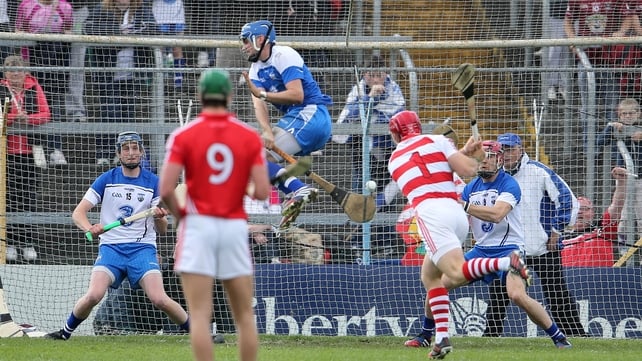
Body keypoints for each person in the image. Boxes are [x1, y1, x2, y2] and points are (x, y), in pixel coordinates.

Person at [387, 111, 531, 359]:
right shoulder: (437, 141)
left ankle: (505, 262)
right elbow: (466, 170)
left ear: (395, 133)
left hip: (432, 214)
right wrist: (473, 156)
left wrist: (467, 154)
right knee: (430, 277)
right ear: (419, 126)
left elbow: (427, 170)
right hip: (457, 214)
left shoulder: (394, 159)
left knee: (454, 272)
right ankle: (440, 337)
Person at [406, 140, 573, 350]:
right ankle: (425, 335)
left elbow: (497, 214)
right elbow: (460, 220)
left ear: (499, 160)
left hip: (510, 249)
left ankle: (558, 337)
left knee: (517, 295)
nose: (483, 162)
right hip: (481, 250)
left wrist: (463, 205)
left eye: (489, 157)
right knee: (437, 284)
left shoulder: (509, 184)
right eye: (480, 158)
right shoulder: (469, 189)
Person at [159, 69, 270, 361]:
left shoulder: (184, 135)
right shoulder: (247, 135)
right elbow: (261, 191)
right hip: (232, 227)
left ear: (200, 96)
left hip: (198, 227)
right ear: (230, 97)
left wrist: (182, 215)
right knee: (245, 316)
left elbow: (166, 188)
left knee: (199, 315)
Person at [44, 131, 190, 340]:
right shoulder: (107, 179)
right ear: (118, 153)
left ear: (141, 152)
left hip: (142, 250)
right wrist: (89, 228)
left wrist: (158, 217)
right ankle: (64, 333)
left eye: (135, 148)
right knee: (94, 295)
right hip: (111, 248)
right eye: (126, 149)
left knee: (159, 299)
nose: (131, 153)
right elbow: (78, 213)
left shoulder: (154, 183)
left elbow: (163, 229)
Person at [484, 132, 586, 338]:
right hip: (509, 249)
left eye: (511, 149)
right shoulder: (493, 176)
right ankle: (490, 337)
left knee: (558, 296)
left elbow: (568, 201)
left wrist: (557, 231)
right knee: (498, 296)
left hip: (541, 248)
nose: (506, 154)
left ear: (521, 150)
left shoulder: (539, 172)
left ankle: (578, 335)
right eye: (502, 150)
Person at [240, 19, 333, 230]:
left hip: (311, 115)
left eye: (246, 40)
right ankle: (294, 192)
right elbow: (259, 105)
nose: (243, 46)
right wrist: (266, 132)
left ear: (260, 39)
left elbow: (297, 95)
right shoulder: (255, 69)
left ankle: (298, 190)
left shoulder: (284, 54)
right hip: (298, 119)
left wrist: (262, 93)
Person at [93, 256, 231, 343]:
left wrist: (229, 337)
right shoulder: (155, 277)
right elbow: (119, 301)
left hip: (146, 325)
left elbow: (226, 321)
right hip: (110, 322)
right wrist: (126, 332)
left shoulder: (217, 284)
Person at [83, 0, 155, 165]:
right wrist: (119, 35)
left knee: (127, 114)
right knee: (109, 112)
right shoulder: (101, 9)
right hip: (107, 73)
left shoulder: (142, 10)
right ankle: (104, 153)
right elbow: (88, 28)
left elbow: (152, 29)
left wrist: (130, 35)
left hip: (132, 73)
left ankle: (123, 154)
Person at [333, 55, 405, 210]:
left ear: (386, 74)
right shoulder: (357, 91)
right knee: (360, 185)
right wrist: (369, 98)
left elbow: (397, 115)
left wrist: (378, 113)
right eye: (371, 75)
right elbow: (349, 115)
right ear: (365, 75)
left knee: (386, 188)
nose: (375, 80)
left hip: (386, 148)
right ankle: (357, 226)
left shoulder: (394, 91)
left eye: (379, 75)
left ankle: (384, 231)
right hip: (361, 148)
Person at [0, 55, 51, 262]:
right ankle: (9, 242)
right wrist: (13, 118)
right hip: (6, 153)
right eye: (11, 70)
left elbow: (46, 114)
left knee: (28, 197)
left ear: (25, 72)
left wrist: (28, 119)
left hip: (30, 153)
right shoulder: (1, 89)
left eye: (19, 70)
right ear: (5, 73)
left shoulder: (33, 87)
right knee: (9, 198)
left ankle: (27, 242)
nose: (15, 74)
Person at [564, 0, 632, 142]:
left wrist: (620, 32)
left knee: (612, 104)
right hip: (585, 55)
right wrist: (572, 39)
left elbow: (628, 16)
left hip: (609, 57)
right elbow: (568, 20)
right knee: (587, 104)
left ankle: (611, 142)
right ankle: (589, 144)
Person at [15, 0, 73, 165]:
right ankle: (37, 149)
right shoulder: (26, 5)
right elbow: (18, 31)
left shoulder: (65, 7)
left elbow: (69, 31)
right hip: (32, 62)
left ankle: (56, 149)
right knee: (33, 104)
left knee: (56, 105)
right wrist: (25, 64)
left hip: (58, 62)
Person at [561, 167, 627, 267]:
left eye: (584, 209)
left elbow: (616, 206)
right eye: (575, 210)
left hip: (599, 280)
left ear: (592, 213)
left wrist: (621, 182)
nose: (579, 213)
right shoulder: (558, 238)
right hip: (567, 281)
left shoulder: (603, 230)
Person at [597, 98, 642, 237]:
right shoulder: (615, 127)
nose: (628, 116)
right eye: (624, 114)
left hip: (640, 178)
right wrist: (611, 128)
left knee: (641, 213)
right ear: (619, 114)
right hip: (624, 178)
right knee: (624, 214)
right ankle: (623, 248)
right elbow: (600, 141)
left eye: (631, 113)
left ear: (638, 114)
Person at [152, 0, 186, 88]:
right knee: (159, 48)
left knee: (177, 48)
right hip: (160, 11)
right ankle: (160, 81)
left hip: (176, 10)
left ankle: (178, 82)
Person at [544, 0, 570, 102]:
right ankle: (551, 85)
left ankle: (563, 85)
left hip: (574, 14)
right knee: (554, 50)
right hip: (555, 15)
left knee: (567, 51)